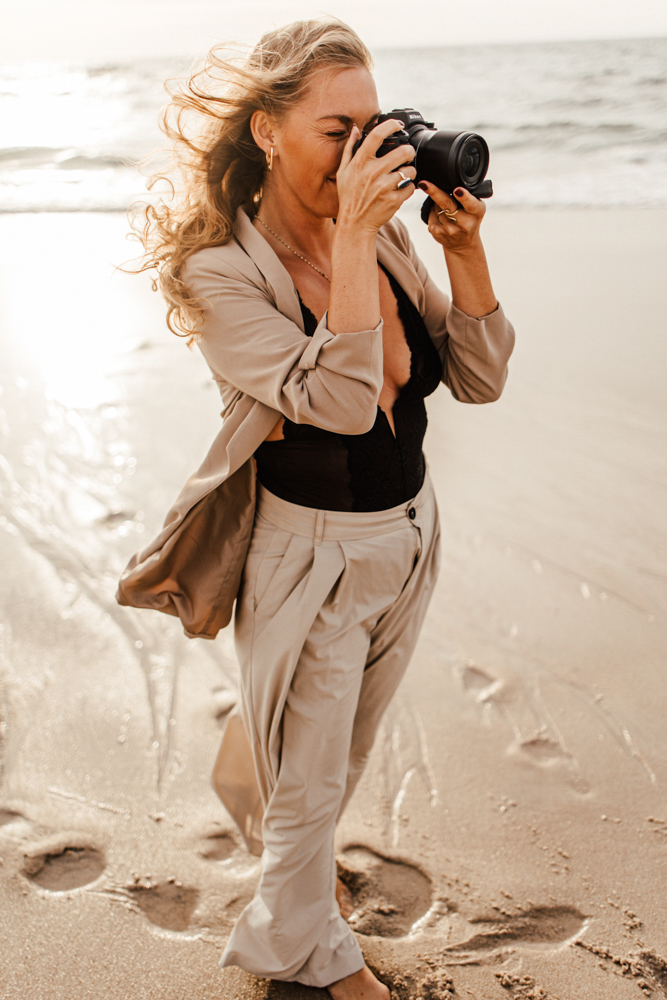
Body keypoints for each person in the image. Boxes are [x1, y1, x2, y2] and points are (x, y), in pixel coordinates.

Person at [119, 17, 515, 1000]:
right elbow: (339, 401)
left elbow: (476, 376)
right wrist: (346, 238)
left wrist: (462, 253)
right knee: (307, 795)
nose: (363, 149)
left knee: (338, 755)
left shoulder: (380, 234)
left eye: (371, 125)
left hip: (410, 537)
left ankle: (279, 812)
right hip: (308, 554)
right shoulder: (218, 272)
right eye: (337, 129)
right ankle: (322, 966)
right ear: (266, 130)